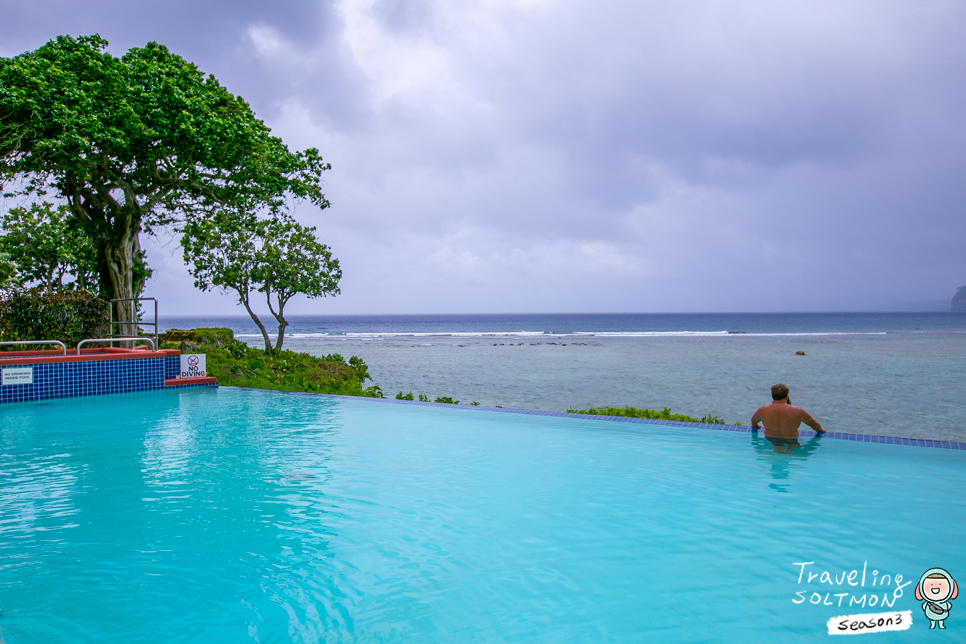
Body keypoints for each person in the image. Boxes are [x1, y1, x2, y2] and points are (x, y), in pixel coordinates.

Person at [751, 383, 826, 439]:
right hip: (791, 441)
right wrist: (821, 430)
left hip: (770, 439)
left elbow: (753, 420)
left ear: (772, 396)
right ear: (787, 396)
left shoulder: (763, 410)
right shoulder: (798, 411)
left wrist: (755, 425)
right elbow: (813, 423)